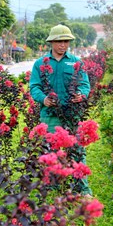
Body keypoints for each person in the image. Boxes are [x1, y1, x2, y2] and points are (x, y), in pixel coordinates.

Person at [29, 24, 92, 196]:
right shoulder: (40, 63)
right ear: (51, 42)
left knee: (77, 151)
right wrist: (44, 99)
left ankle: (82, 188)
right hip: (50, 116)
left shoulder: (77, 62)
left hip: (72, 114)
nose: (62, 45)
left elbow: (85, 85)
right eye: (58, 41)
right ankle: (53, 187)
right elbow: (34, 87)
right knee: (50, 151)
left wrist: (81, 95)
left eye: (65, 41)